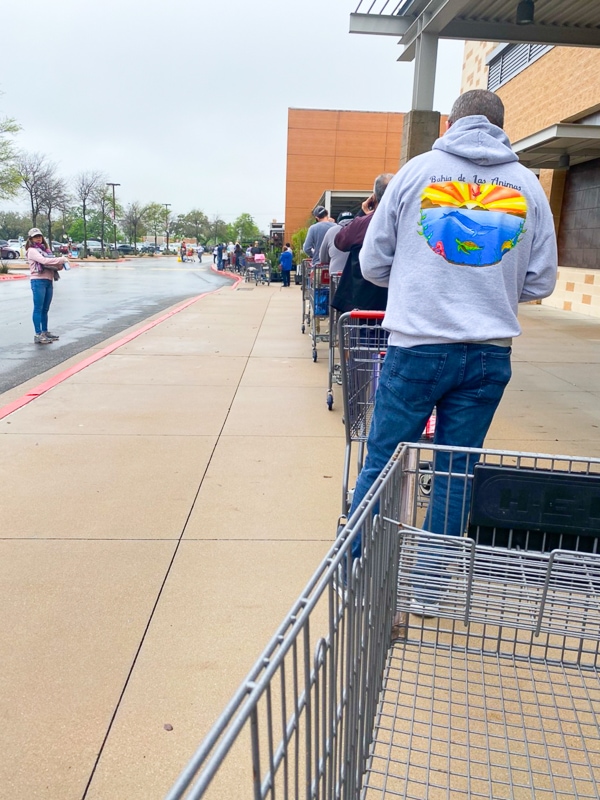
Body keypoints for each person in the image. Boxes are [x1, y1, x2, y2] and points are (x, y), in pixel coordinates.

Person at [347, 89, 558, 572]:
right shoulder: (528, 185)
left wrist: (416, 282)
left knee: (383, 460)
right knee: (457, 471)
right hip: (488, 353)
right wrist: (491, 289)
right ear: (503, 126)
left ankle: (357, 566)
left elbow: (373, 262)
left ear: (450, 125)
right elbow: (541, 280)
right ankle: (430, 585)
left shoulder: (415, 173)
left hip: (417, 345)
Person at [331, 176, 393, 314]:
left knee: (362, 334)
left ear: (374, 198)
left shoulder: (362, 224)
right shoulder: (407, 224)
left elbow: (340, 241)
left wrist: (361, 213)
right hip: (394, 305)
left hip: (363, 303)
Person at [26, 227, 69, 345]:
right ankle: (38, 334)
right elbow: (44, 261)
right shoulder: (32, 250)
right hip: (38, 281)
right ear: (31, 239)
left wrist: (60, 264)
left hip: (49, 280)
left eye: (39, 236)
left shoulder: (46, 251)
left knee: (45, 309)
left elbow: (52, 263)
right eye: (35, 237)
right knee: (38, 308)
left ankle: (45, 332)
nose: (38, 238)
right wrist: (61, 259)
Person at [319, 211, 353, 278]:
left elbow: (323, 258)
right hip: (356, 276)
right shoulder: (362, 230)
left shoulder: (331, 231)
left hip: (336, 276)